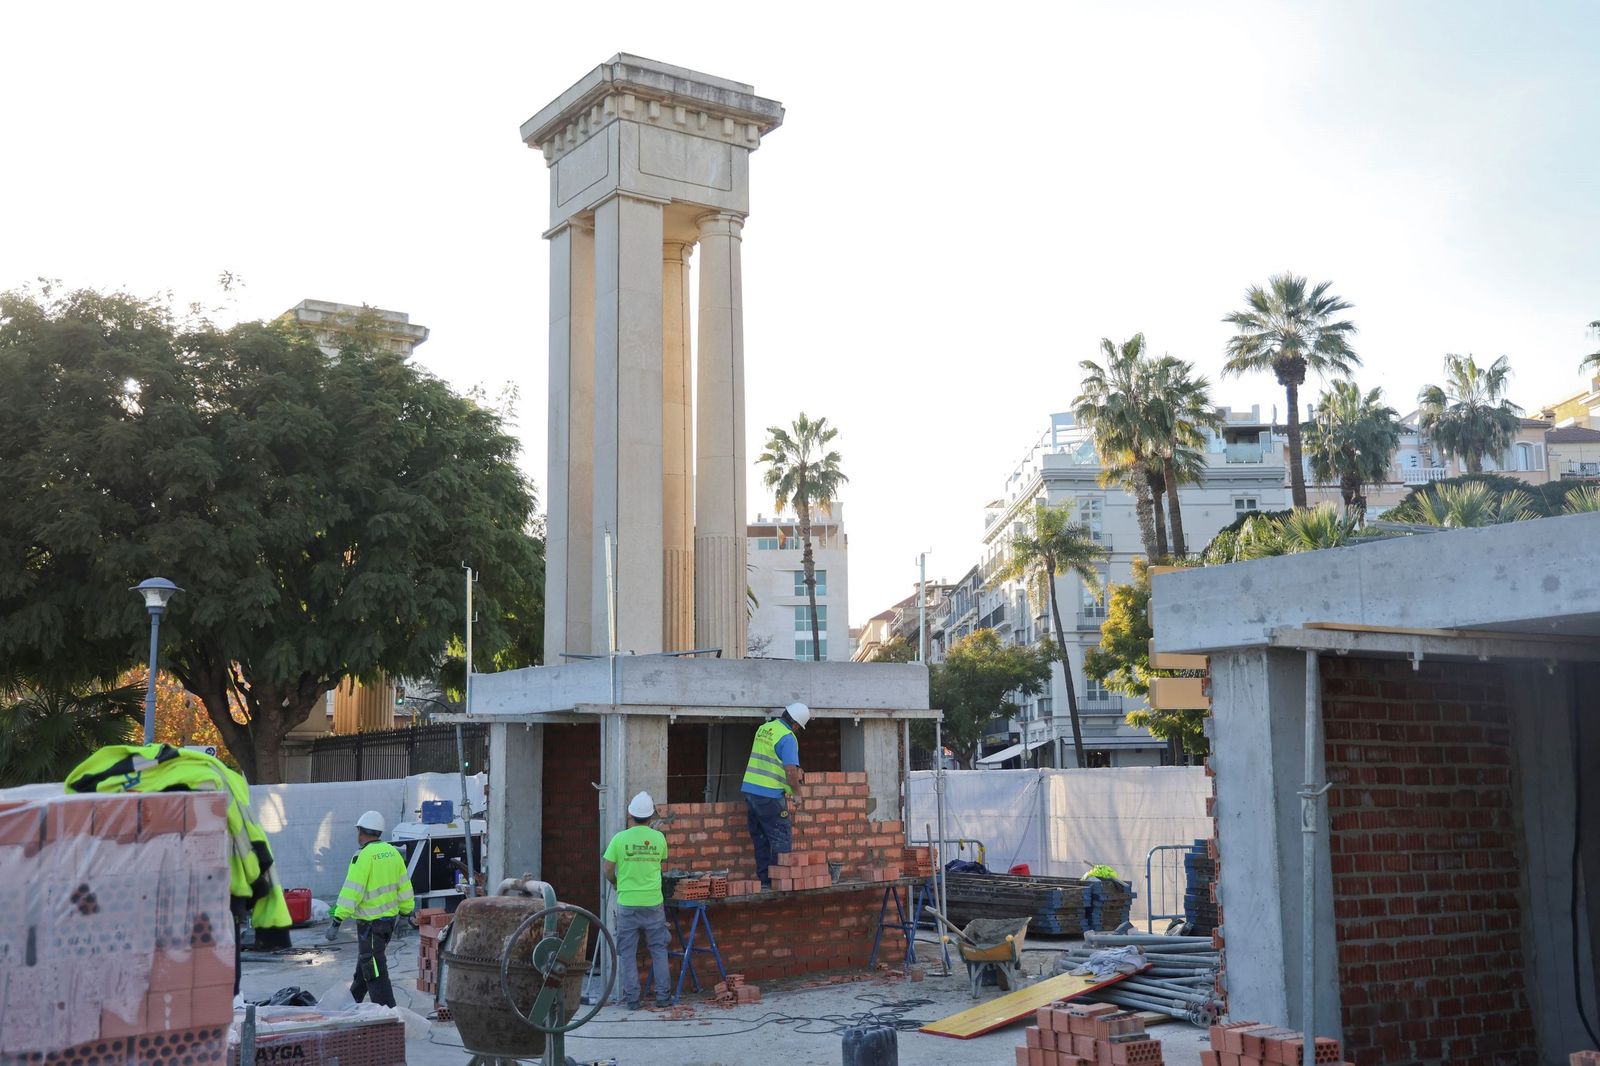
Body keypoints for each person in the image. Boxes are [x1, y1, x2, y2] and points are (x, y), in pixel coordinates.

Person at [326, 810, 415, 1008]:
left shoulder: (363, 857)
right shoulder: (393, 853)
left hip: (370, 924)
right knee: (365, 965)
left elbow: (351, 892)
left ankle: (387, 1012)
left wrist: (336, 920)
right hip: (388, 923)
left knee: (373, 968)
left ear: (361, 832)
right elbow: (405, 887)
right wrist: (406, 914)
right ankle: (349, 1004)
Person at [603, 791, 671, 1011]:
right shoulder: (659, 838)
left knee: (628, 953)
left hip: (628, 902)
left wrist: (616, 882)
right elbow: (661, 862)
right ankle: (663, 998)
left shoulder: (619, 839)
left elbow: (608, 869)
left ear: (630, 815)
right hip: (653, 903)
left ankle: (633, 1000)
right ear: (651, 817)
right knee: (658, 950)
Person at [740, 701, 808, 890]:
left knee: (760, 838)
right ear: (795, 725)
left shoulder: (765, 728)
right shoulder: (788, 737)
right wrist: (797, 794)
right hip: (769, 796)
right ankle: (780, 882)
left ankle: (764, 880)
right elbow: (790, 771)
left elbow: (769, 761)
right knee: (781, 838)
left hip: (751, 792)